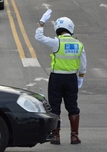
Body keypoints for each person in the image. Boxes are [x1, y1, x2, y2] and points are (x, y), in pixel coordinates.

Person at [35, 9, 87, 145]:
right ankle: (74, 137)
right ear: (71, 28)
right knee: (72, 107)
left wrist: (41, 23)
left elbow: (39, 38)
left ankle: (56, 136)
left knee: (54, 107)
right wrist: (80, 77)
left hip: (56, 78)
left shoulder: (56, 42)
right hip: (71, 79)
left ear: (58, 29)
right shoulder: (79, 44)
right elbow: (83, 64)